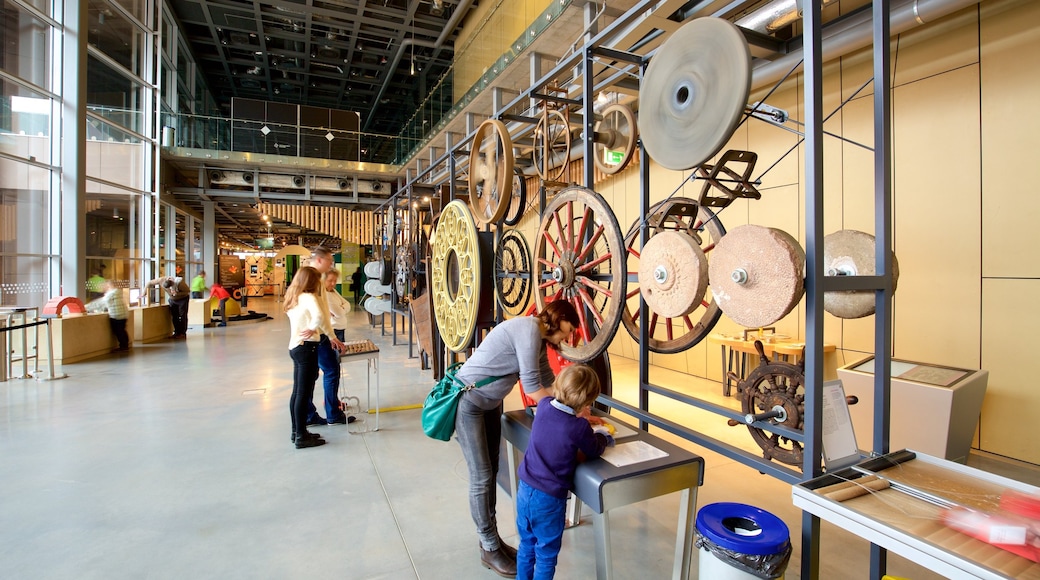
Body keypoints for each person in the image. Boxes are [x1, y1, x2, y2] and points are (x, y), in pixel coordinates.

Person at [452, 300, 580, 578]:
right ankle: (488, 546)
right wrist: (568, 415)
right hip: (469, 402)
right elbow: (533, 386)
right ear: (560, 317)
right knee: (482, 476)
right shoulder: (529, 330)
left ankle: (493, 541)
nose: (569, 336)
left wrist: (573, 401)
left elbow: (548, 380)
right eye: (570, 328)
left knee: (493, 471)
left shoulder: (539, 338)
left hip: (490, 403)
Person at [515, 364, 613, 580]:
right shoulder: (578, 428)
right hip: (548, 500)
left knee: (527, 545)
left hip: (525, 490)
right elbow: (593, 449)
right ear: (587, 402)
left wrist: (581, 416)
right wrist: (603, 436)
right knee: (546, 555)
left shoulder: (544, 405)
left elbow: (559, 423)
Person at [302, 246, 349, 427]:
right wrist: (329, 335)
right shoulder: (314, 281)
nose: (331, 264)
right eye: (330, 260)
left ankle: (315, 414)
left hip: (318, 335)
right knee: (329, 371)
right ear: (320, 260)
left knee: (314, 375)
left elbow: (340, 308)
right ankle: (331, 414)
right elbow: (321, 314)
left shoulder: (316, 281)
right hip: (315, 336)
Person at [283, 266, 328, 449]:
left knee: (297, 393)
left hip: (295, 347)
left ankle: (297, 431)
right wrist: (313, 327)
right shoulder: (308, 297)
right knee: (304, 393)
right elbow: (319, 316)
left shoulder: (294, 298)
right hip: (307, 347)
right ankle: (301, 435)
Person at [85, 279, 131, 353]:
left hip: (116, 315)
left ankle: (123, 346)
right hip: (123, 314)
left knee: (119, 331)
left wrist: (85, 307)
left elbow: (100, 303)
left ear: (109, 286)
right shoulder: (118, 293)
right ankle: (125, 345)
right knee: (122, 330)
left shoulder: (111, 294)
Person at [146, 275, 190, 339]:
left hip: (182, 299)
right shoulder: (161, 280)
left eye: (170, 287)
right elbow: (149, 283)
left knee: (182, 315)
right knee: (174, 316)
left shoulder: (179, 282)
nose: (169, 289)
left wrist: (177, 293)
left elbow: (187, 291)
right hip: (173, 300)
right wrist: (143, 294)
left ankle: (182, 333)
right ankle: (177, 332)